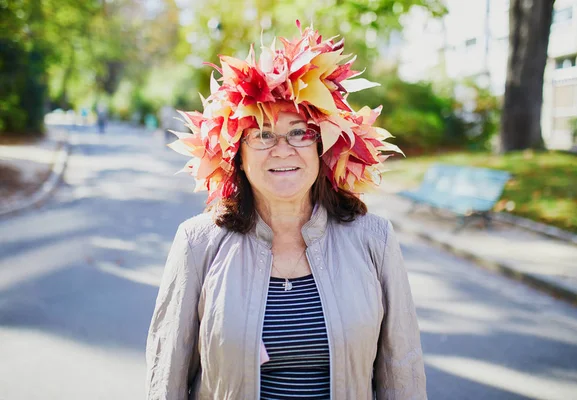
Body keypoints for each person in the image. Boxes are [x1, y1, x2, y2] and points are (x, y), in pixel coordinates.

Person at [146, 21, 427, 400]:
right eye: (262, 134)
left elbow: (402, 370)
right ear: (238, 155)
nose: (282, 149)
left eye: (300, 132)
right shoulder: (198, 243)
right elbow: (167, 378)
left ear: (323, 147)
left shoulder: (373, 239)